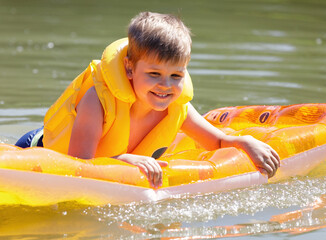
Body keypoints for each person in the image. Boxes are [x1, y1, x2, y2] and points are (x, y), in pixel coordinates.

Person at [16, 12, 280, 188]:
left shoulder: (177, 108)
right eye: (154, 74)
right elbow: (78, 165)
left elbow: (216, 141)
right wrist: (125, 160)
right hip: (35, 148)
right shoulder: (97, 100)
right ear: (129, 69)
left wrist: (243, 141)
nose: (165, 86)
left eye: (176, 75)